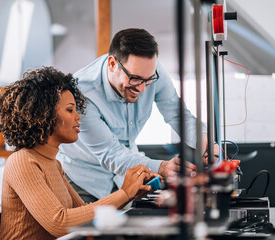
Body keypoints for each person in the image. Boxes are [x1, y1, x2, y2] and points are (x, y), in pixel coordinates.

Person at [0, 67, 157, 240]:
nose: (78, 117)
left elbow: (84, 215)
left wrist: (130, 194)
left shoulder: (53, 164)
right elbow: (61, 223)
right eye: (70, 110)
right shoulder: (22, 161)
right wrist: (124, 192)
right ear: (44, 115)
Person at [57, 28, 210, 202]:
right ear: (113, 64)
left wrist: (205, 141)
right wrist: (161, 167)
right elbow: (111, 154)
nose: (143, 89)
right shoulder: (82, 93)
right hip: (84, 181)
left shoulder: (150, 71)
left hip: (127, 175)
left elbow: (177, 114)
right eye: (135, 79)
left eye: (148, 80)